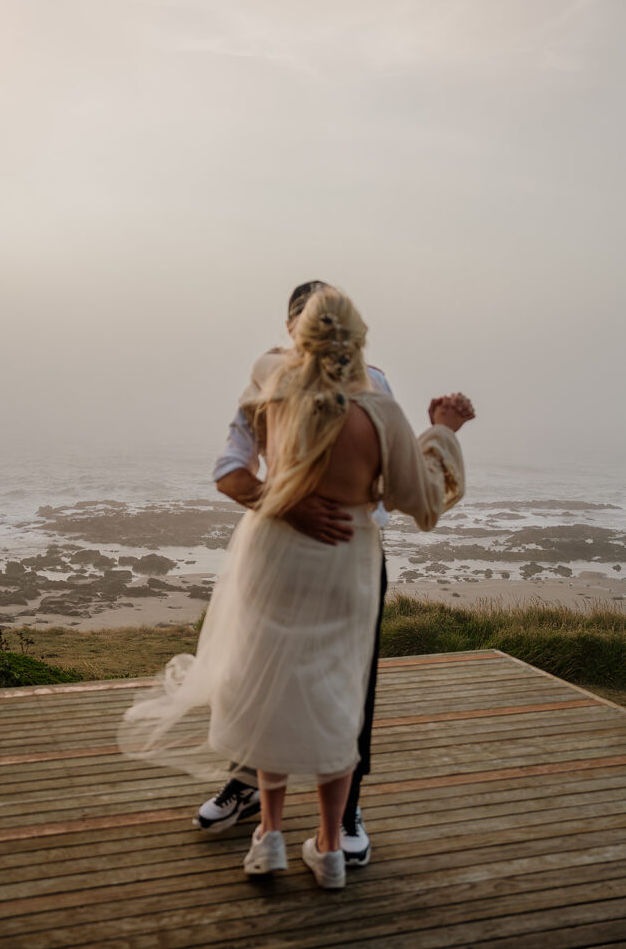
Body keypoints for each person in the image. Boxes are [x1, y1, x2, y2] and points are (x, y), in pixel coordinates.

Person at [119, 286, 472, 890]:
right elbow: (422, 500)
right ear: (360, 339)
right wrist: (442, 429)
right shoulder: (380, 409)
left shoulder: (271, 385)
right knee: (340, 695)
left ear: (297, 336)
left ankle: (268, 839)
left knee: (269, 683)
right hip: (343, 561)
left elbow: (232, 471)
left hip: (272, 555)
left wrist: (286, 505)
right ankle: (332, 848)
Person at [195, 280, 395, 869]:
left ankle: (346, 811)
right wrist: (287, 501)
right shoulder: (270, 381)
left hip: (350, 560)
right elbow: (231, 470)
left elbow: (390, 487)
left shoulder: (374, 384)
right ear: (291, 328)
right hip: (280, 553)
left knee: (350, 685)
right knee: (255, 664)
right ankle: (250, 785)